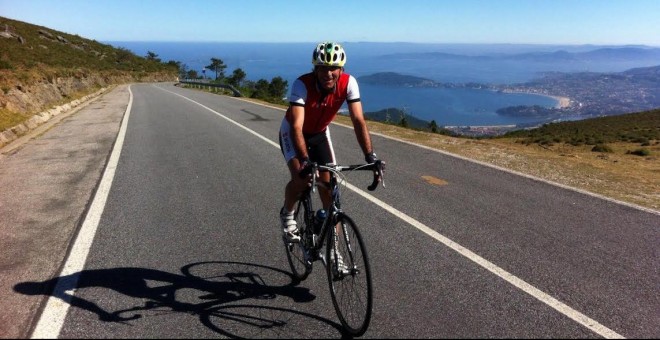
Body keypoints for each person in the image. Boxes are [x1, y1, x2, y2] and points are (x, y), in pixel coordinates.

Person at [278, 41, 382, 243]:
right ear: (315, 69)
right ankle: (287, 214)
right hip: (292, 132)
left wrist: (370, 156)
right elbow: (297, 127)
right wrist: (305, 161)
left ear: (341, 69)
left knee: (330, 189)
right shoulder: (302, 85)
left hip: (319, 134)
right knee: (302, 180)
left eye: (334, 68)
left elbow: (358, 120)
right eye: (323, 68)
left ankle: (334, 252)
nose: (329, 73)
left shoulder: (349, 83)